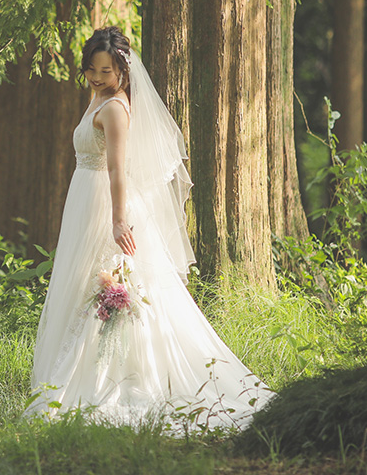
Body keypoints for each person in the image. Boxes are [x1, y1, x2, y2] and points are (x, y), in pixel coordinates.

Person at [24, 26, 274, 432]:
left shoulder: (116, 109)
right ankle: (75, 376)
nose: (97, 77)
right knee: (82, 284)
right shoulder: (97, 98)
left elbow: (117, 168)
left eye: (105, 71)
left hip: (107, 203)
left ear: (122, 69)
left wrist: (119, 218)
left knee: (114, 287)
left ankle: (114, 380)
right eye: (91, 70)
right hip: (83, 201)